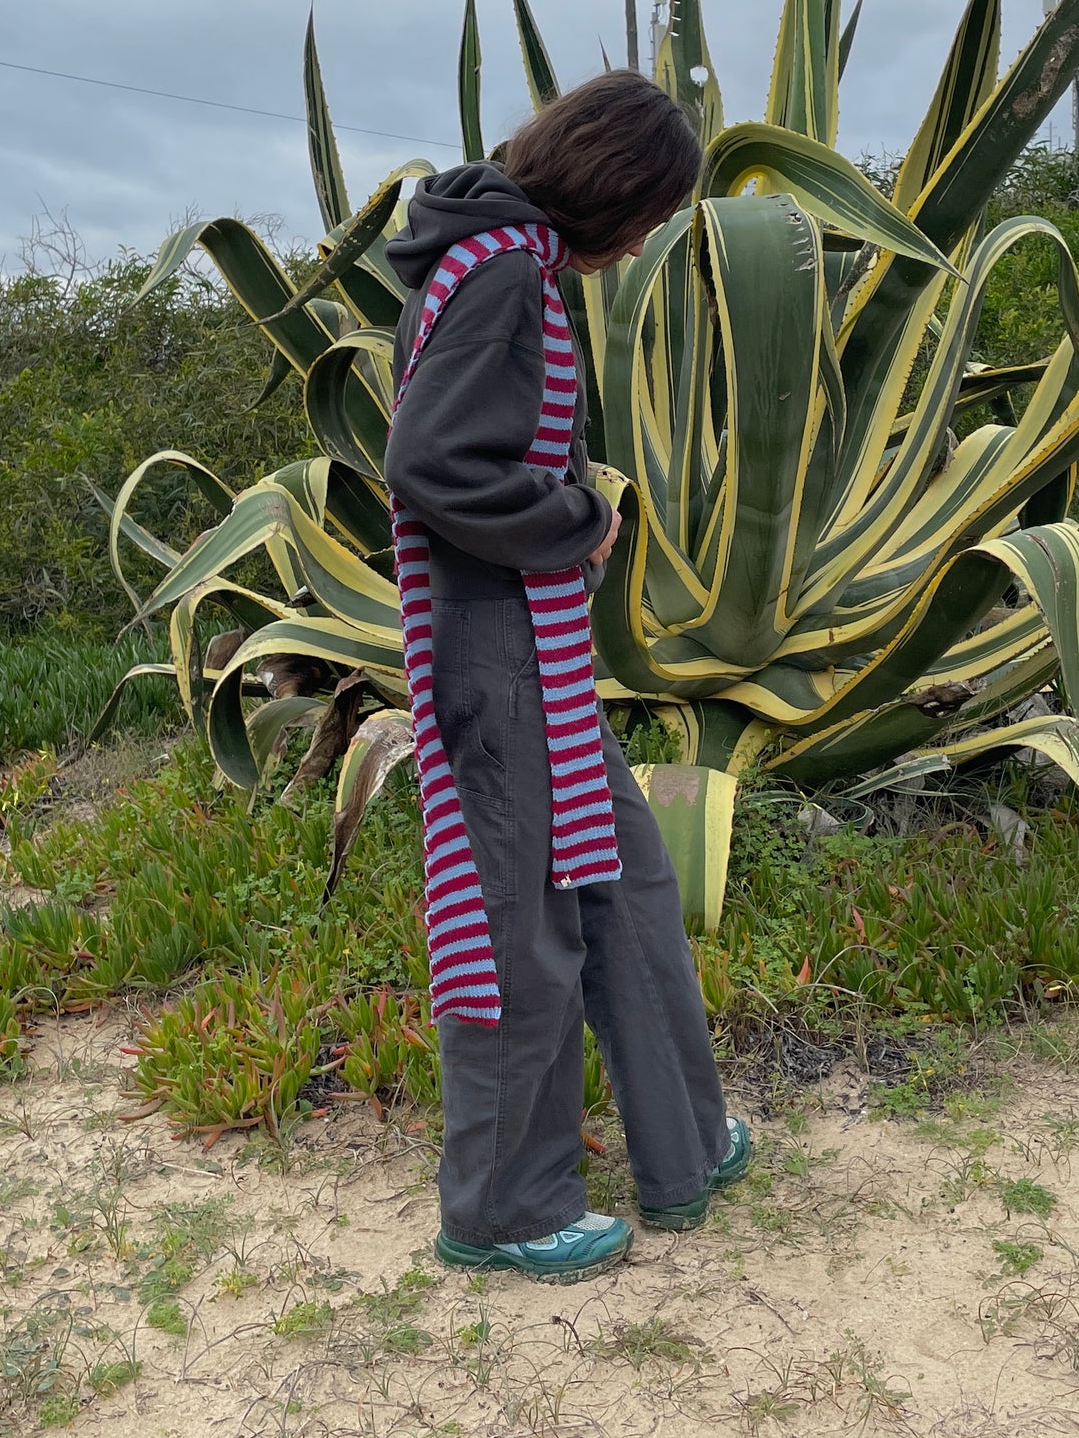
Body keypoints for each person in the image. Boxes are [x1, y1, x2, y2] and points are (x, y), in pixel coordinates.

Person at [383, 70, 750, 1284]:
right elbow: (432, 460)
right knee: (517, 929)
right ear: (610, 186)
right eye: (644, 214)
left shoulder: (504, 252)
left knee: (627, 886)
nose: (638, 241)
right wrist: (574, 515)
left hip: (533, 645)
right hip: (492, 646)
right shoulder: (498, 265)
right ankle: (499, 1207)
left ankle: (681, 1147)